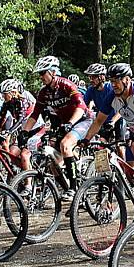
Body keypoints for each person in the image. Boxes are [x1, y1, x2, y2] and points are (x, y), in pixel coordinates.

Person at [20, 56, 93, 196]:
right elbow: (35, 114)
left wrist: (70, 123)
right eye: (39, 74)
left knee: (65, 145)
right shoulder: (44, 92)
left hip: (82, 120)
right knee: (53, 163)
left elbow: (81, 106)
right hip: (65, 124)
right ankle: (66, 189)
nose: (41, 77)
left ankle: (73, 186)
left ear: (53, 72)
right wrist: (25, 131)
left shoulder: (67, 85)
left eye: (43, 73)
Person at [82, 63, 134, 163]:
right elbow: (98, 122)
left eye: (116, 81)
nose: (113, 85)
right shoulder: (112, 96)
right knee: (130, 170)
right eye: (111, 81)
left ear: (127, 80)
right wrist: (86, 139)